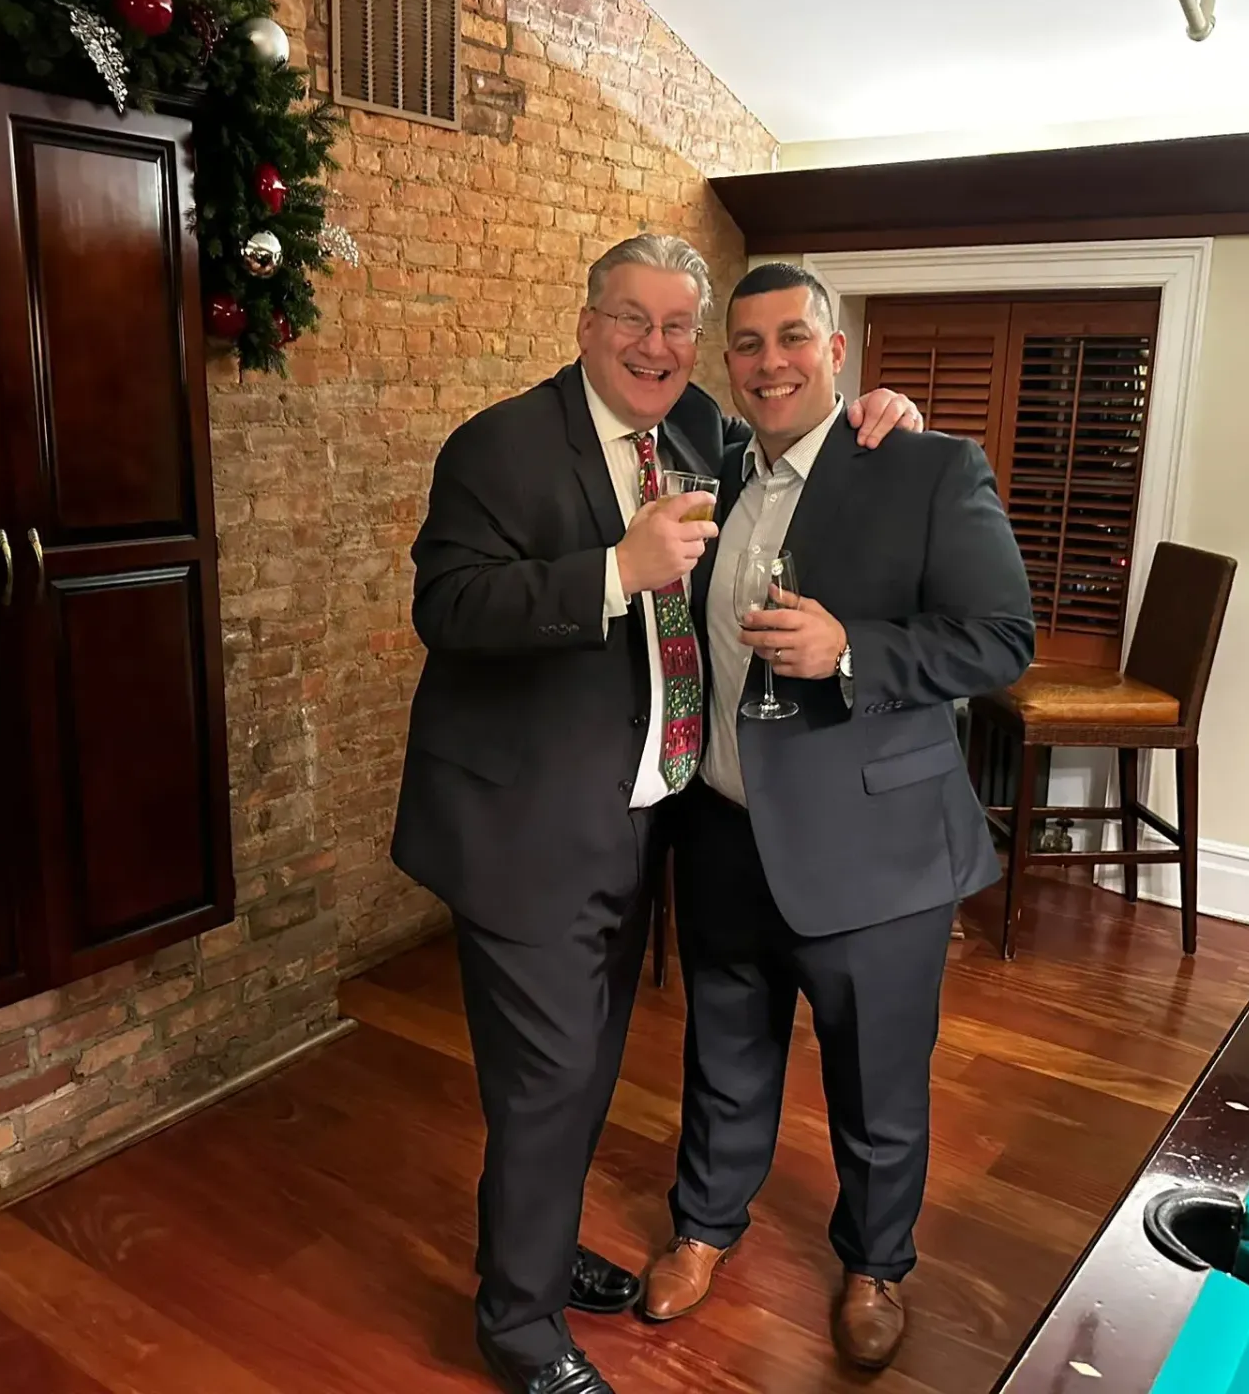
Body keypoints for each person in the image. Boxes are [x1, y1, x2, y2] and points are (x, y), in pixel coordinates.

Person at [390, 235, 924, 1394]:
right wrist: (611, 573)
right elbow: (447, 606)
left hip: (637, 821)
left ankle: (529, 1252)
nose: (656, 344)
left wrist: (884, 415)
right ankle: (518, 1326)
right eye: (632, 319)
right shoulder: (499, 444)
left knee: (583, 1071)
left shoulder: (697, 436)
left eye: (681, 325)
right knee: (547, 1079)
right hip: (524, 830)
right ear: (587, 324)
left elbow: (800, 437)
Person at [637, 262, 1035, 1372]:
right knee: (723, 1050)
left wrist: (854, 648)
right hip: (724, 825)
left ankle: (874, 1263)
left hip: (875, 846)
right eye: (748, 343)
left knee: (876, 1077)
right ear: (728, 362)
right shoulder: (713, 467)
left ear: (837, 349)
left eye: (793, 338)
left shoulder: (926, 467)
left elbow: (1002, 638)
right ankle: (703, 1226)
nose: (771, 363)